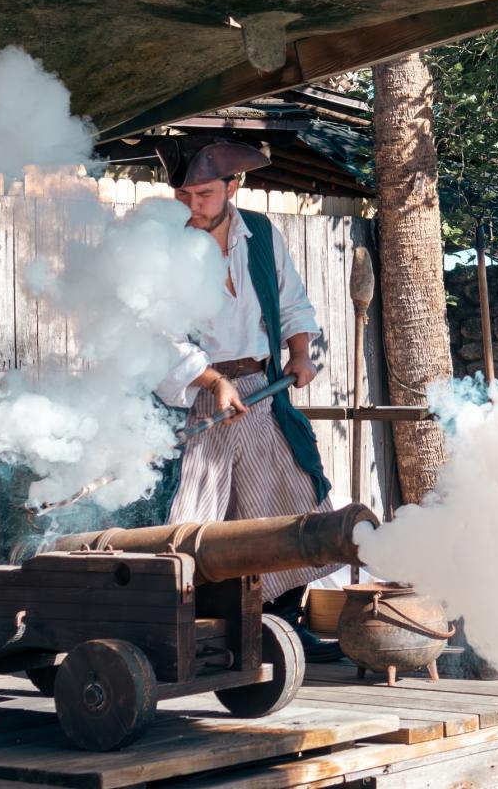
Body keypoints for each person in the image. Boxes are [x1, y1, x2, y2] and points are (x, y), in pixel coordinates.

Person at [153, 135, 344, 662]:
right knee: (196, 515)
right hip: (198, 395)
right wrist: (212, 381)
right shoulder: (163, 247)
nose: (193, 204)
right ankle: (189, 630)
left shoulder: (260, 233)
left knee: (292, 496)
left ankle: (284, 628)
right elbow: (157, 331)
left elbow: (292, 299)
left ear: (233, 185)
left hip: (263, 388)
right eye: (185, 194)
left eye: (205, 193)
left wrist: (300, 353)